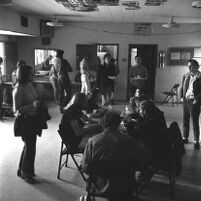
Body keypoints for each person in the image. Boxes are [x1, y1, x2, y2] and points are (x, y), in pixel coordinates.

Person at [81, 110, 151, 201]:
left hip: (100, 186)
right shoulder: (129, 140)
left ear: (103, 124)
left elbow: (85, 167)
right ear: (118, 123)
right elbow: (146, 158)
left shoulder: (93, 141)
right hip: (126, 186)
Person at [12, 65, 41, 184]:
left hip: (33, 119)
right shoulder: (18, 89)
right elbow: (16, 110)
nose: (32, 75)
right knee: (29, 147)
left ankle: (22, 169)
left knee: (29, 146)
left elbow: (35, 97)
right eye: (30, 73)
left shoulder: (28, 85)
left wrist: (37, 101)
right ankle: (25, 173)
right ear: (24, 74)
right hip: (25, 121)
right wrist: (32, 106)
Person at [128, 100, 168, 164]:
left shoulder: (147, 124)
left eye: (140, 110)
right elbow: (145, 120)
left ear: (145, 111)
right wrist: (138, 118)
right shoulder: (156, 116)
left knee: (127, 145)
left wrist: (129, 125)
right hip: (161, 146)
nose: (139, 111)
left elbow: (134, 136)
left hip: (152, 152)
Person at [180, 59, 201, 150]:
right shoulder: (186, 75)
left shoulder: (200, 76)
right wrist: (182, 97)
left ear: (197, 66)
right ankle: (185, 138)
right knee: (185, 120)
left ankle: (196, 141)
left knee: (195, 121)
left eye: (191, 66)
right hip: (186, 100)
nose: (189, 67)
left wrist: (197, 99)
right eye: (188, 65)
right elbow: (182, 86)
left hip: (194, 101)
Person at [53, 49, 73, 113]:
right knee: (69, 94)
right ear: (62, 54)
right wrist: (66, 69)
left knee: (61, 93)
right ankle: (62, 106)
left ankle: (60, 107)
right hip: (64, 78)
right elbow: (71, 69)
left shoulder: (54, 61)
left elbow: (54, 71)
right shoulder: (64, 61)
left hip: (58, 78)